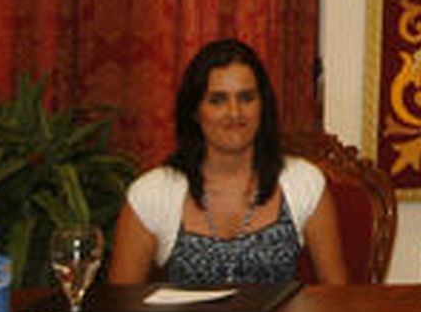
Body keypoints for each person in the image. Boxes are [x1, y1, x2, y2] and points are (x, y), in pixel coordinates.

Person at [108, 38, 347, 285]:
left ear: (262, 106)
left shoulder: (304, 182)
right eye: (217, 100)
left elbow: (336, 299)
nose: (234, 113)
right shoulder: (151, 193)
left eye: (246, 98)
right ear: (195, 112)